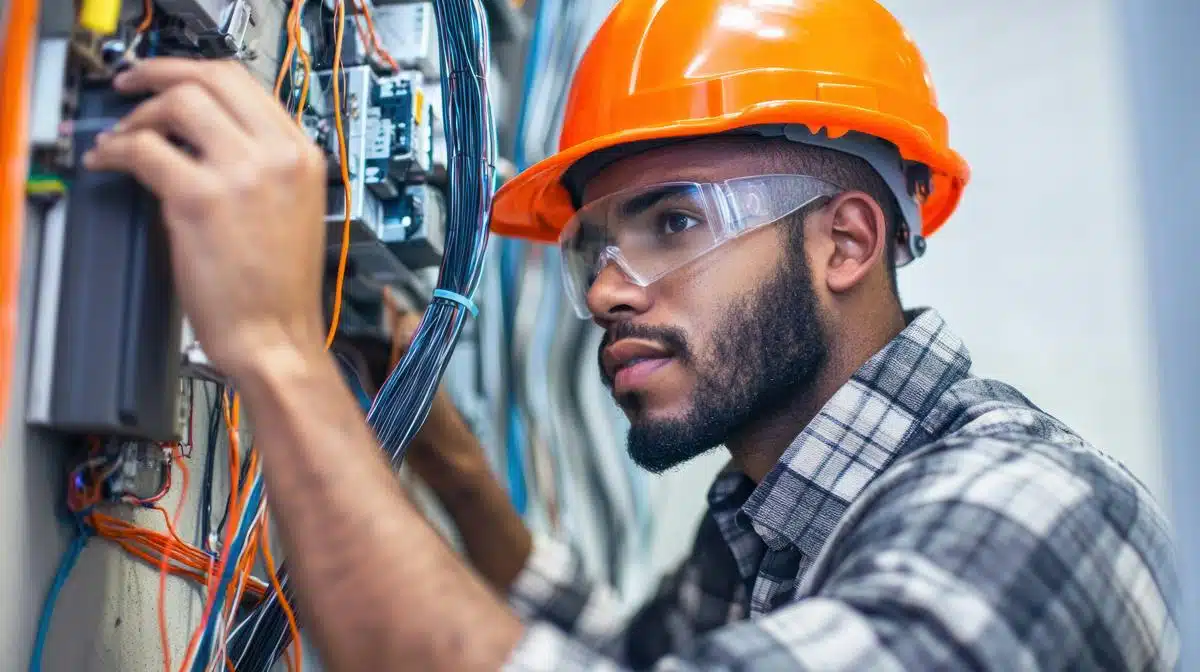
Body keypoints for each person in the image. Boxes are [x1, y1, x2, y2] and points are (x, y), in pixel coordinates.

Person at [83, 0, 1178, 669]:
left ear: (846, 243)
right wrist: (456, 473)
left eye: (675, 221)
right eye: (594, 246)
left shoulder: (1026, 514)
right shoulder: (772, 512)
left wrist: (276, 346)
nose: (608, 290)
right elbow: (618, 655)